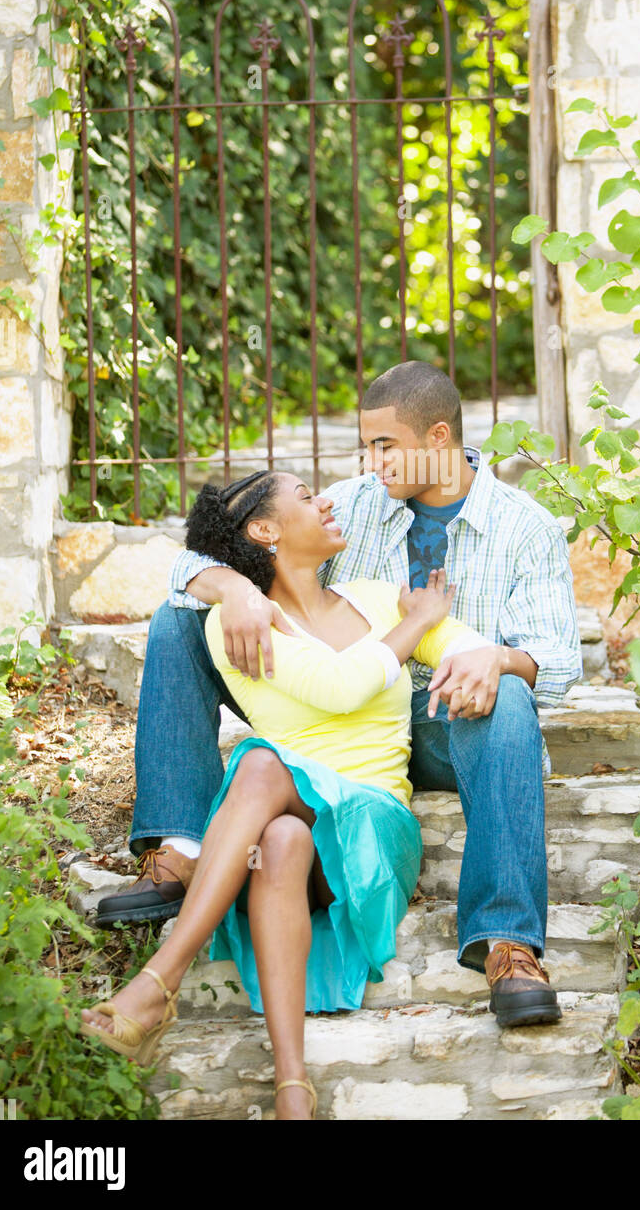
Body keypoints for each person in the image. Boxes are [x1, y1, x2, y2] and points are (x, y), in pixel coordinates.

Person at [98, 360, 583, 1027]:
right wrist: (237, 590)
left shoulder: (527, 528)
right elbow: (201, 559)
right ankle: (179, 845)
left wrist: (497, 657)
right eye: (366, 446)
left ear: (437, 439)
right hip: (332, 718)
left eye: (385, 446)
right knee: (178, 618)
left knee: (510, 695)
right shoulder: (352, 505)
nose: (370, 461)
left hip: (445, 718)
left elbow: (559, 660)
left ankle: (508, 945)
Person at [81, 470, 486, 1120]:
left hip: (377, 827)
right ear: (264, 531)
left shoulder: (381, 599)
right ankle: (291, 1090)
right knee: (281, 837)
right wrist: (422, 623)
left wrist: (472, 648)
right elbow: (339, 685)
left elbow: (471, 648)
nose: (326, 500)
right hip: (297, 827)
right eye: (305, 495)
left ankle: (161, 978)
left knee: (262, 766)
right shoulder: (233, 627)